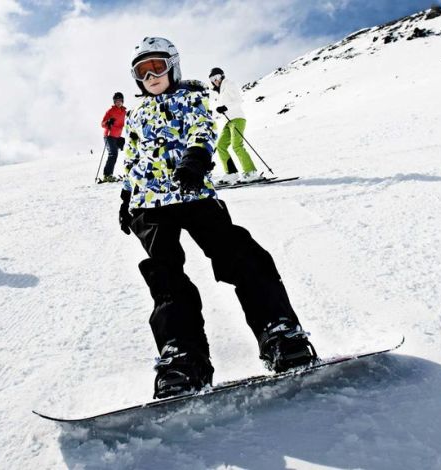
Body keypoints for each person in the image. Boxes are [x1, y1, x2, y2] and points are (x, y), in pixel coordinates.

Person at [119, 37, 317, 399]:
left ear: (173, 66)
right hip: (150, 203)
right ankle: (183, 358)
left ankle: (279, 332)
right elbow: (132, 158)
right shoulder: (136, 114)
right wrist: (126, 197)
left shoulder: (192, 96)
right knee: (165, 278)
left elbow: (203, 130)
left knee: (239, 253)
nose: (151, 76)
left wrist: (195, 158)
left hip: (193, 191)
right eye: (142, 71)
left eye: (157, 66)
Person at [209, 66, 258, 184]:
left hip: (237, 118)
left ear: (222, 76)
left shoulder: (229, 84)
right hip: (227, 121)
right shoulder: (219, 92)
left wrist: (225, 107)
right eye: (212, 78)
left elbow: (239, 100)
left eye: (217, 77)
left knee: (237, 145)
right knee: (221, 145)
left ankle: (250, 172)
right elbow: (221, 108)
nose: (215, 80)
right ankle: (231, 173)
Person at [99, 92, 127, 182]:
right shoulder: (110, 111)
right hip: (109, 135)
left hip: (117, 137)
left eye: (120, 101)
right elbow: (102, 124)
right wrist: (108, 122)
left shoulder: (124, 112)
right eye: (116, 101)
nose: (118, 102)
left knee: (119, 153)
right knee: (113, 154)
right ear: (114, 102)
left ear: (122, 101)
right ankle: (107, 175)